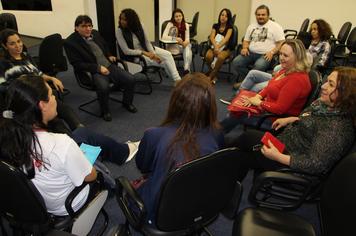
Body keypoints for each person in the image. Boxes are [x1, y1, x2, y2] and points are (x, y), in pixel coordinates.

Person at [230, 66, 356, 181]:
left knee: (241, 156)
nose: (323, 86)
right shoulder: (327, 106)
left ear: (345, 93)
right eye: (327, 81)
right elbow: (313, 120)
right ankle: (221, 160)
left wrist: (278, 156)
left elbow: (314, 164)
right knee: (246, 139)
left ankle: (222, 168)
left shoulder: (336, 129)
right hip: (287, 145)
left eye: (331, 84)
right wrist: (292, 119)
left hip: (292, 166)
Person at [0, 75, 97, 216]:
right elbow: (91, 176)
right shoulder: (61, 143)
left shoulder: (8, 136)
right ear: (42, 105)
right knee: (98, 167)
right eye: (51, 95)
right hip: (69, 204)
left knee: (83, 135)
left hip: (41, 203)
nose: (55, 99)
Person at [134, 73, 224, 224]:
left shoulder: (153, 135)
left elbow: (143, 166)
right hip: (203, 205)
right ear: (210, 105)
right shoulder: (217, 133)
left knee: (132, 185)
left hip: (161, 212)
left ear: (175, 102)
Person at [221, 39, 311, 134]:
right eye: (280, 54)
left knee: (235, 114)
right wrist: (258, 96)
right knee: (238, 108)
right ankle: (216, 136)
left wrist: (259, 103)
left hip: (275, 120)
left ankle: (214, 138)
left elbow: (279, 109)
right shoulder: (286, 69)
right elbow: (269, 86)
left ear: (297, 57)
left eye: (285, 55)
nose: (281, 58)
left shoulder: (296, 80)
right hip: (267, 109)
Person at [0, 29, 82, 131]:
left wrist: (52, 78)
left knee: (65, 110)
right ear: (4, 46)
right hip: (29, 102)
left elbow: (39, 74)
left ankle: (82, 133)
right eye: (12, 44)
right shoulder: (3, 64)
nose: (18, 46)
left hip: (41, 95)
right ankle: (77, 141)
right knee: (57, 123)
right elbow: (3, 89)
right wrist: (23, 82)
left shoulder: (26, 56)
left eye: (19, 41)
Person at [64, 15, 137, 122]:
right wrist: (98, 68)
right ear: (76, 27)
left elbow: (104, 45)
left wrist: (109, 55)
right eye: (84, 26)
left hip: (109, 65)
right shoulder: (70, 42)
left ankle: (127, 103)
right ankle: (105, 111)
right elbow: (77, 64)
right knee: (103, 87)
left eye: (90, 26)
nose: (88, 29)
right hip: (93, 70)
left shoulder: (95, 33)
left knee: (130, 79)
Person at [116, 8, 181, 83]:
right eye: (121, 19)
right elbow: (126, 51)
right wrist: (144, 53)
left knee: (168, 54)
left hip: (147, 51)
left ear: (131, 20)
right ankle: (177, 81)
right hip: (136, 57)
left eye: (125, 20)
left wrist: (153, 54)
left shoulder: (140, 25)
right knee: (165, 62)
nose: (122, 22)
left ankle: (177, 81)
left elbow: (147, 42)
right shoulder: (119, 31)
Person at [232, 5, 285, 81]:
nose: (260, 16)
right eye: (258, 15)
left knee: (259, 66)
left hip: (266, 55)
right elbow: (246, 40)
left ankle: (249, 80)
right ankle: (250, 79)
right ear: (256, 15)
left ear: (268, 15)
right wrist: (244, 48)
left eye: (263, 15)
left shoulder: (275, 26)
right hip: (250, 53)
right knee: (236, 63)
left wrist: (272, 52)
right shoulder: (251, 26)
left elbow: (281, 42)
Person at [204, 8, 234, 83]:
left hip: (225, 49)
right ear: (219, 16)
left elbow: (226, 40)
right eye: (222, 15)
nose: (223, 17)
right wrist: (215, 47)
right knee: (208, 56)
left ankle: (211, 76)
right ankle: (214, 74)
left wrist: (218, 47)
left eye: (226, 16)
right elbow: (211, 37)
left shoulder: (230, 28)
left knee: (220, 57)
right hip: (214, 46)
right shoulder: (215, 25)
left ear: (228, 18)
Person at [161, 8, 192, 75]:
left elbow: (187, 39)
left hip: (183, 46)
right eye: (176, 16)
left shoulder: (186, 25)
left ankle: (186, 69)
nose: (178, 18)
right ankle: (187, 70)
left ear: (182, 16)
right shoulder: (170, 24)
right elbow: (163, 37)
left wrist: (185, 43)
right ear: (173, 17)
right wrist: (175, 39)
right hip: (173, 46)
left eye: (180, 16)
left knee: (187, 47)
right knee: (187, 49)